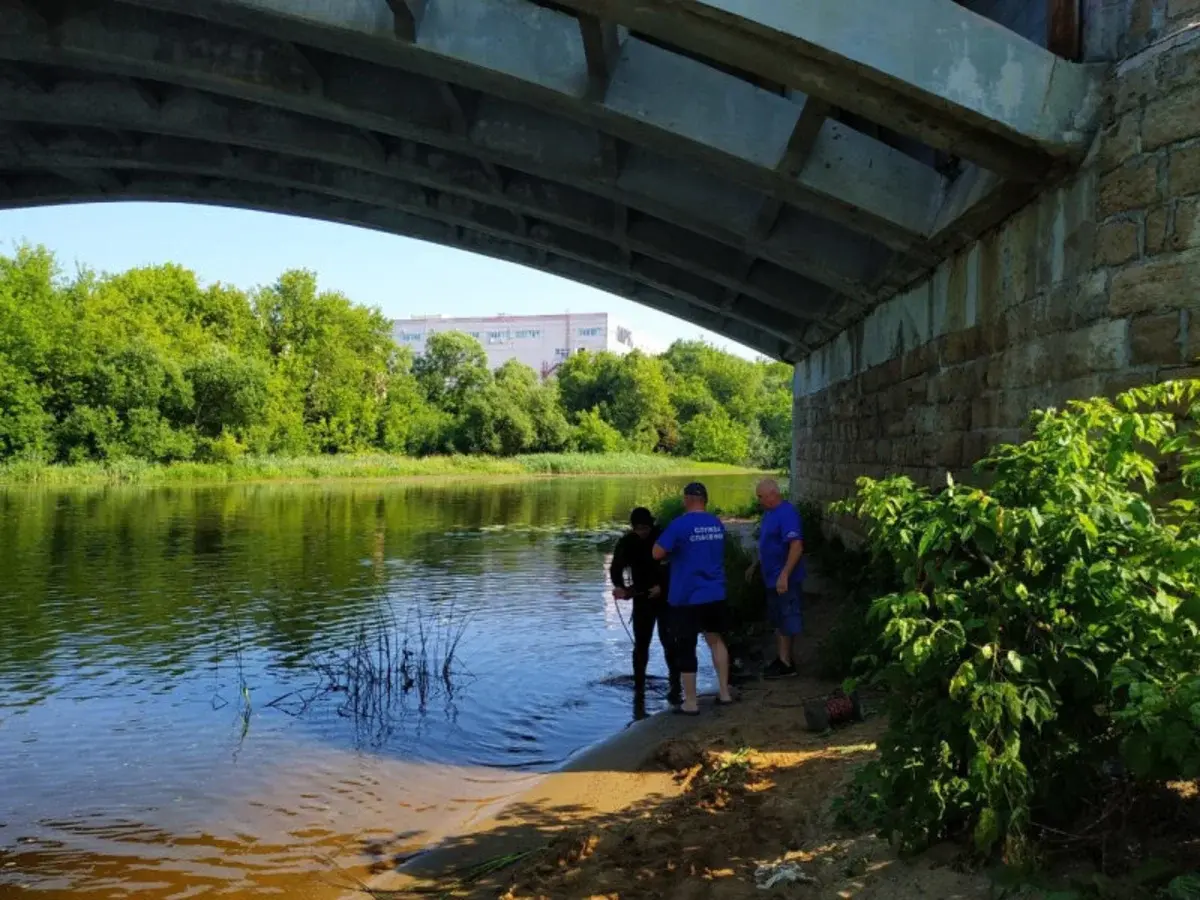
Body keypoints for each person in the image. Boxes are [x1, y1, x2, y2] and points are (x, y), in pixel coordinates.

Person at [653, 482, 734, 715]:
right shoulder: (716, 523)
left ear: (687, 499)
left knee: (686, 645)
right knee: (716, 640)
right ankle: (724, 693)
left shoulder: (680, 525)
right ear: (705, 500)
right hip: (715, 592)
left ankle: (690, 702)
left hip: (687, 596)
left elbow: (656, 553)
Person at [610, 507, 682, 707]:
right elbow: (616, 567)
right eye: (638, 528)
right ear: (633, 528)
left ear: (651, 525)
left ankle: (675, 684)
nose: (642, 532)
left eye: (645, 528)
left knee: (669, 641)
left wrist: (662, 586)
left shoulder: (663, 537)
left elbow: (676, 566)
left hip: (666, 597)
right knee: (641, 644)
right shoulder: (627, 542)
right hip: (641, 598)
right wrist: (620, 588)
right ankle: (639, 688)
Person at [746, 478, 805, 679]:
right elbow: (767, 544)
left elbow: (796, 546)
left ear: (773, 494)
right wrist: (756, 564)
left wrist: (785, 574)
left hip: (784, 579)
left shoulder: (787, 514)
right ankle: (782, 659)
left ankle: (787, 664)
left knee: (787, 618)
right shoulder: (769, 514)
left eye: (761, 497)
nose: (759, 500)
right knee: (778, 619)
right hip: (771, 578)